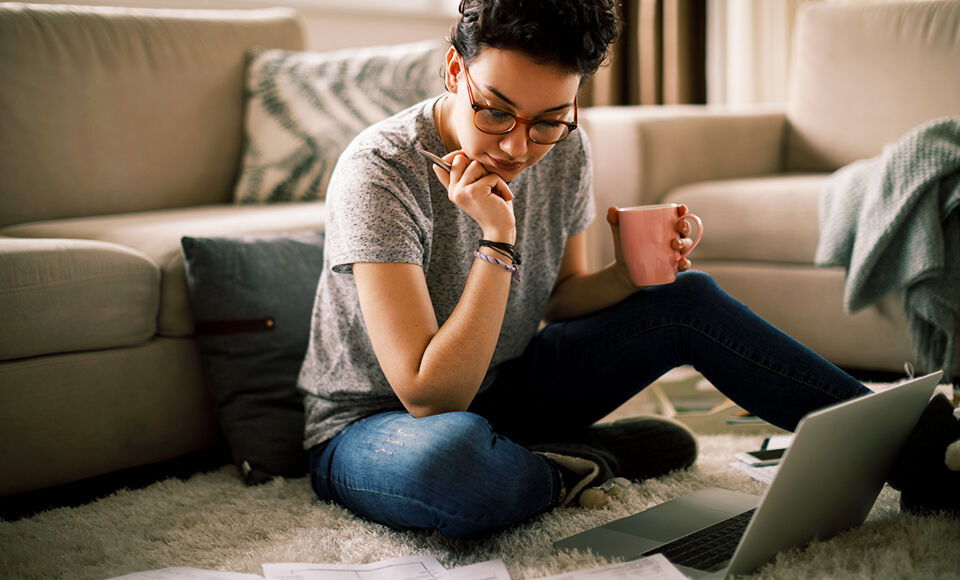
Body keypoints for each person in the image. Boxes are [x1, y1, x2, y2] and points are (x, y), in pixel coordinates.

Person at [298, 0, 956, 539]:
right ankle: (585, 461)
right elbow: (429, 396)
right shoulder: (380, 170)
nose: (516, 145)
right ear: (453, 69)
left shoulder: (565, 148)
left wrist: (632, 277)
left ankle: (924, 449)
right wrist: (497, 242)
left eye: (550, 119)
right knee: (456, 469)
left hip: (508, 386)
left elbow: (559, 300)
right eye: (494, 109)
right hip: (376, 424)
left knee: (687, 298)